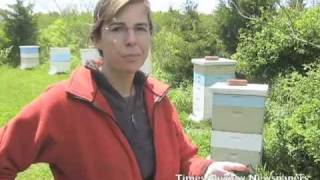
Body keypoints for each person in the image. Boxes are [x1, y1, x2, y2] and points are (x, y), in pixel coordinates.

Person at [0, 0, 250, 179]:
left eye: (140, 28)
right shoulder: (62, 104)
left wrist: (205, 169)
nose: (131, 39)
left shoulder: (158, 100)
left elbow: (184, 159)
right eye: (117, 28)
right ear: (97, 38)